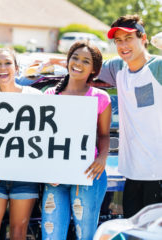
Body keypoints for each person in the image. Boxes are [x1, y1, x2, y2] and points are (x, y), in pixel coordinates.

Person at [41, 41, 112, 239]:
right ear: (68, 60)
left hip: (88, 174)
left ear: (94, 69)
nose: (78, 63)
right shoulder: (49, 95)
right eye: (75, 57)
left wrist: (102, 158)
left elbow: (104, 135)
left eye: (86, 61)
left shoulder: (100, 98)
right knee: (51, 234)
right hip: (54, 177)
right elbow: (41, 138)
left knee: (85, 235)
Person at [98, 14, 162, 218]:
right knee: (133, 231)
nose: (123, 45)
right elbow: (83, 65)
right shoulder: (117, 67)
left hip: (159, 172)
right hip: (132, 173)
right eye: (118, 41)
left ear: (143, 38)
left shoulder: (158, 67)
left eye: (128, 39)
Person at [0, 48, 42, 240]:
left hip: (25, 175)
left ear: (16, 68)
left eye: (7, 63)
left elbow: (44, 136)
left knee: (18, 233)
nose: (3, 67)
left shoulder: (34, 96)